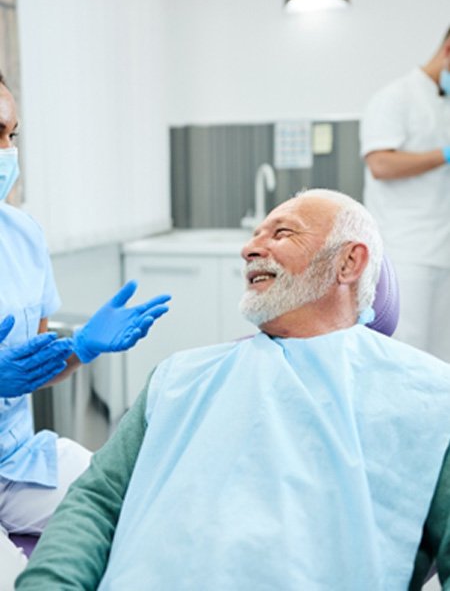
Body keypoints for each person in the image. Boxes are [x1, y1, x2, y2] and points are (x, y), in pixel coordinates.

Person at [15, 189, 450, 590]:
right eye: (254, 236)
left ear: (349, 263)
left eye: (282, 233)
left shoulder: (429, 397)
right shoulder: (182, 376)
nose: (249, 249)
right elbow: (98, 500)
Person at [0, 72, 171, 588]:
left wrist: (80, 348)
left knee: (145, 514)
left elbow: (38, 365)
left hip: (16, 461)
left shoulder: (21, 236)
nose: (7, 151)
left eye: (11, 135)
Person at [360, 26, 450, 361]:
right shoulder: (395, 97)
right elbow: (380, 163)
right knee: (406, 353)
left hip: (442, 250)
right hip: (407, 252)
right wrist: (443, 154)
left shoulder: (444, 105)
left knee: (440, 359)